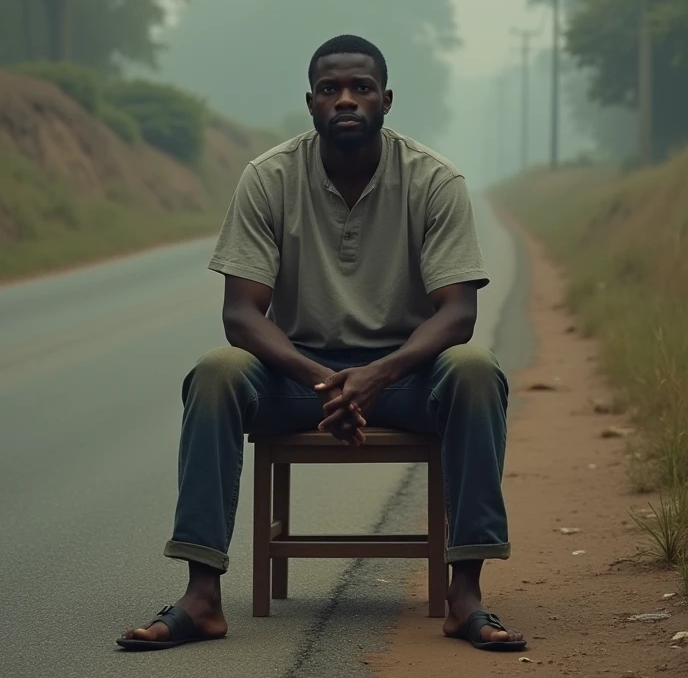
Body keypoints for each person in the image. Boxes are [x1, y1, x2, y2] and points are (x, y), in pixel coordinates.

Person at [117, 34, 526, 653]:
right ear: (310, 102)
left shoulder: (434, 180)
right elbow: (242, 316)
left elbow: (458, 315)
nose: (346, 100)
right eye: (330, 89)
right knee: (214, 372)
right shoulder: (269, 177)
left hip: (406, 377)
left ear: (386, 100)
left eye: (361, 88)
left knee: (474, 368)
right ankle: (201, 597)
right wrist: (325, 380)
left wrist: (376, 375)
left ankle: (464, 592)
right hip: (297, 376)